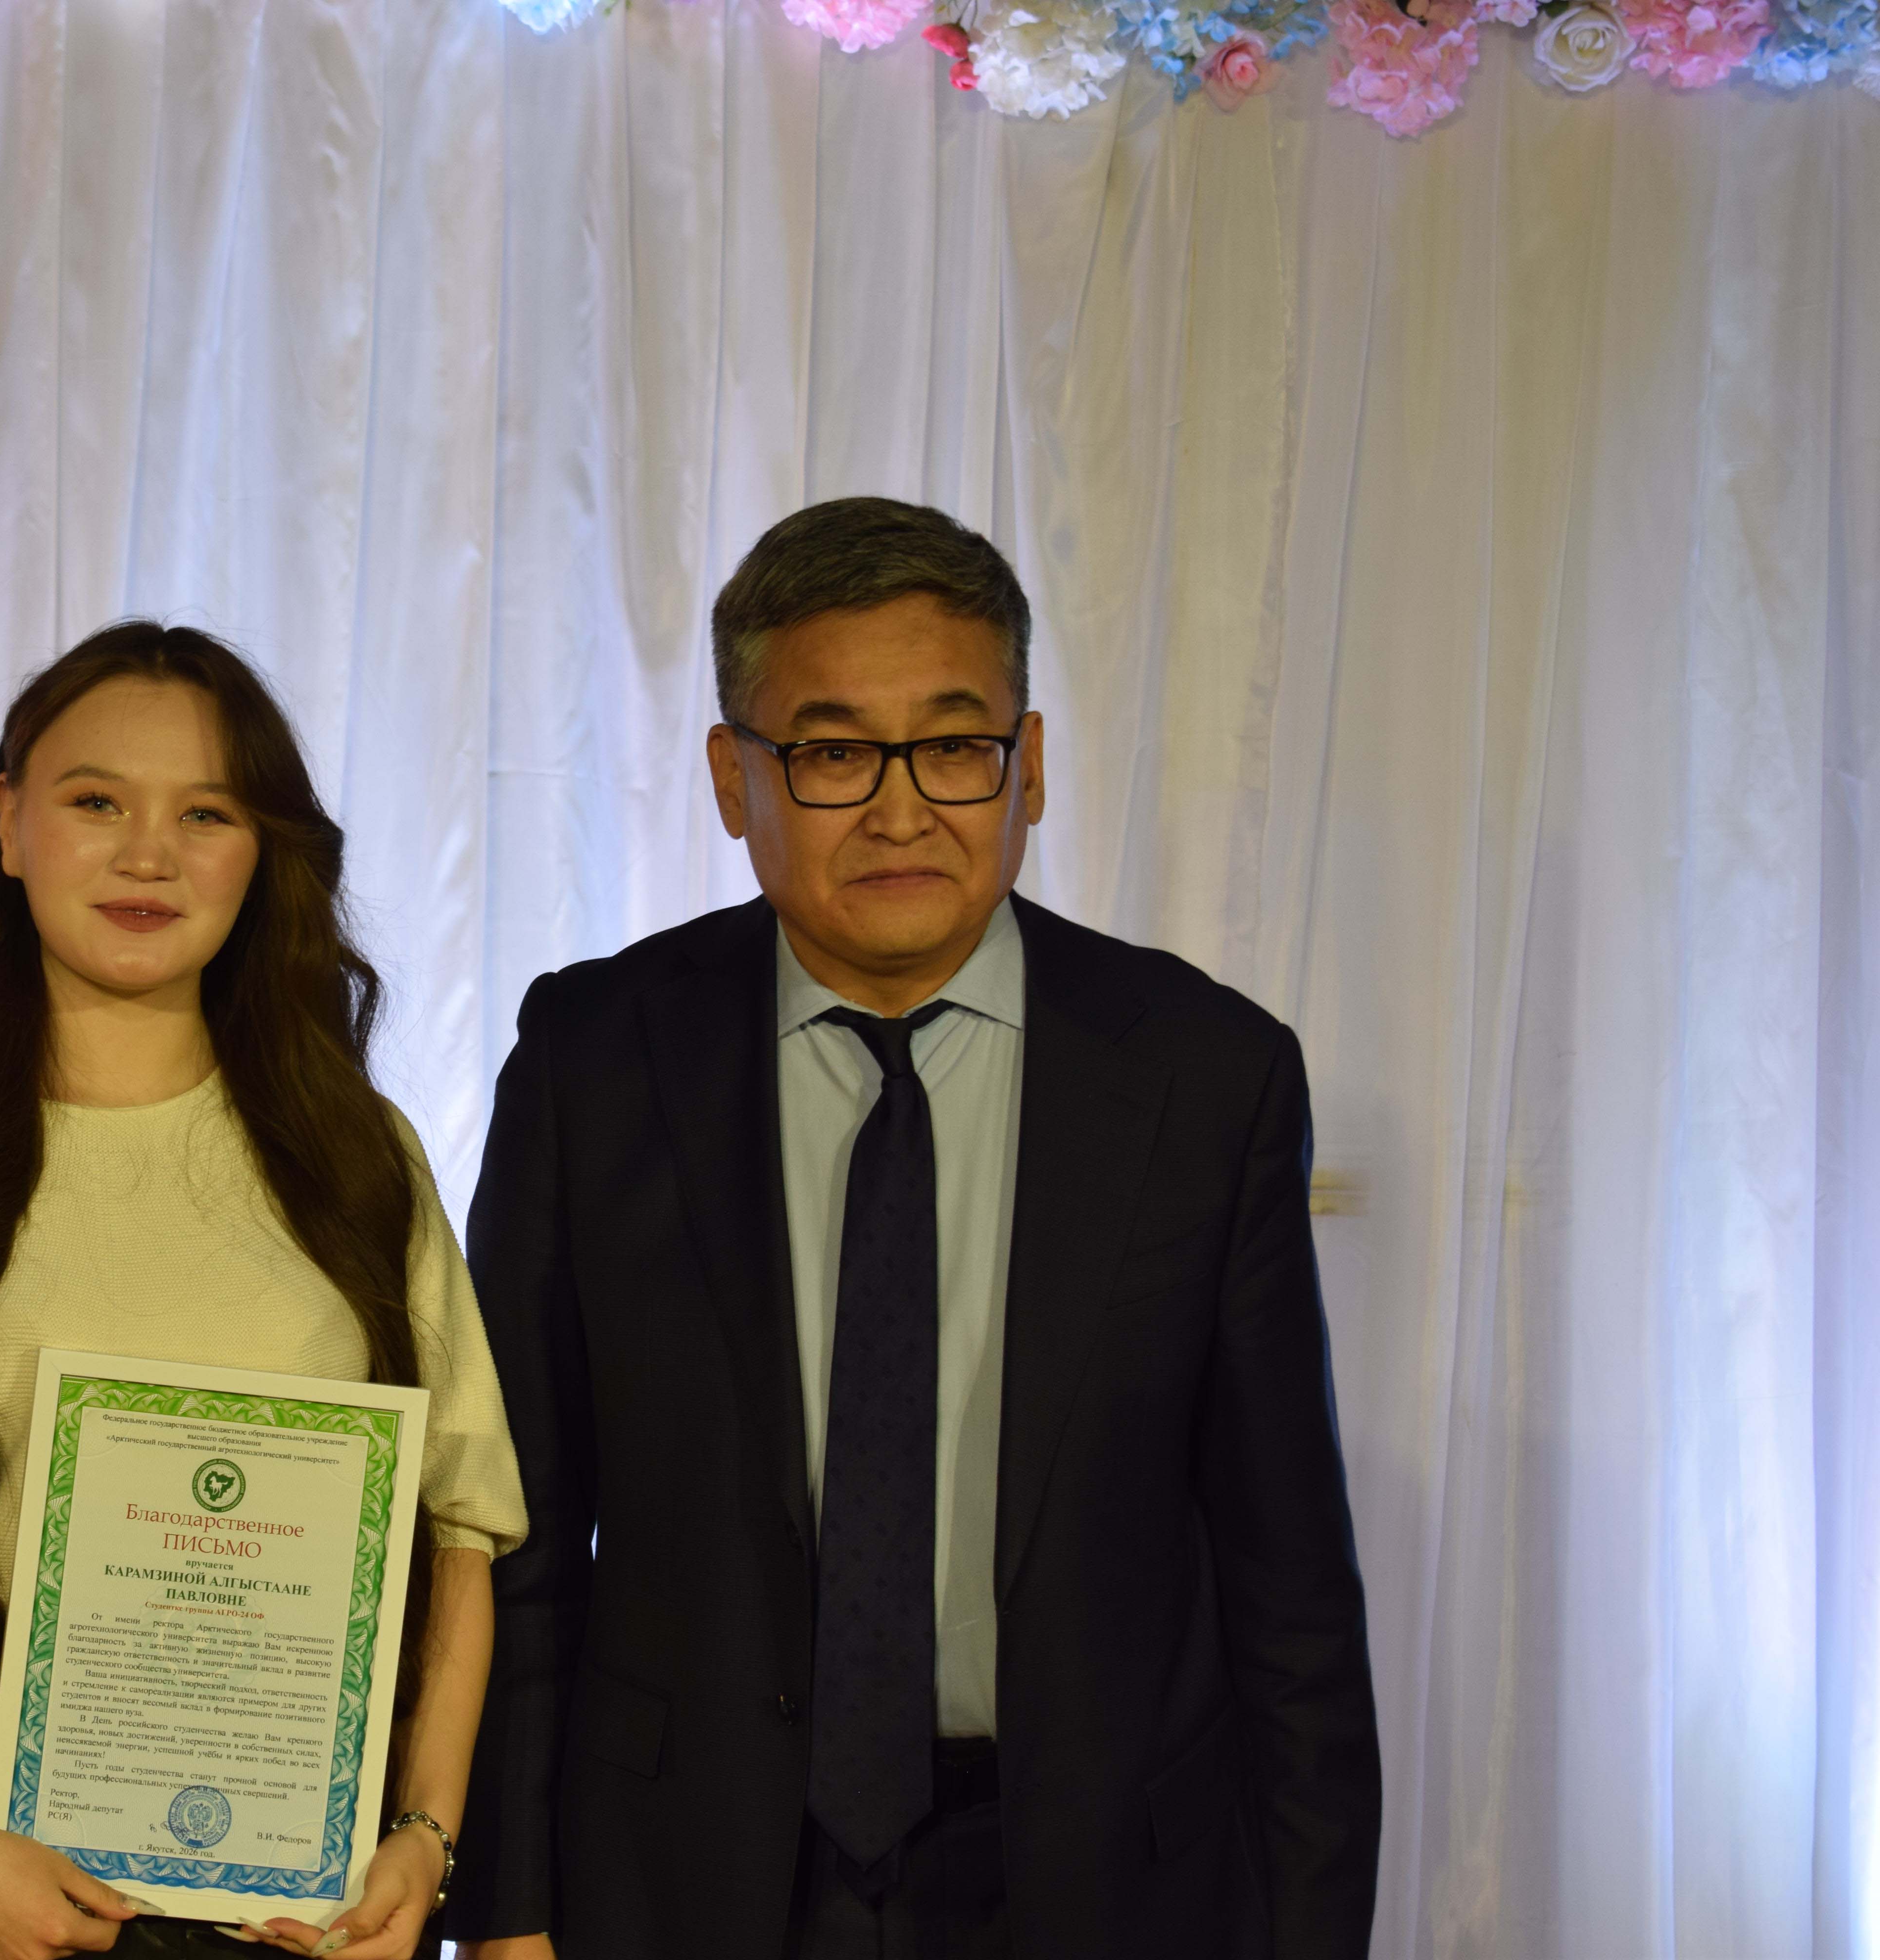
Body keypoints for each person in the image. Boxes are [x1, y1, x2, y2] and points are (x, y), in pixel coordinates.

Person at [444, 500, 1380, 1960]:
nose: (901, 811)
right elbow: (519, 1533)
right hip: (685, 1873)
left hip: (1100, 1878)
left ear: (1031, 766)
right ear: (734, 779)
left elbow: (1289, 1584)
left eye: (954, 747)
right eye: (833, 755)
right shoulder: (597, 1059)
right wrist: (507, 1914)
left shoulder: (1205, 1076)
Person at [0, 622, 528, 1960]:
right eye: (96, 801)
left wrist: (426, 1838)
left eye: (205, 813)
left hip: (305, 1911)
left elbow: (456, 1527)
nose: (148, 855)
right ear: (10, 824)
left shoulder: (355, 1154)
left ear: (261, 852)